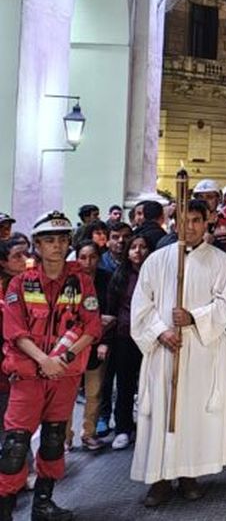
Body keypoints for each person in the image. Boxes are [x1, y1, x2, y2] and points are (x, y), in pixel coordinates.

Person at [129, 200, 226, 507]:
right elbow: (141, 305)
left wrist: (194, 317)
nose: (189, 226)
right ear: (173, 223)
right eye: (183, 220)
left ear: (206, 223)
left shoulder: (220, 261)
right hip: (165, 348)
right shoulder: (157, 260)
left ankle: (191, 472)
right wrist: (160, 331)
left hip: (202, 347)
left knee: (192, 413)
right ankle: (160, 478)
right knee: (164, 410)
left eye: (195, 220)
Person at [0, 211, 102, 521]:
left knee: (55, 438)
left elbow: (92, 327)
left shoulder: (82, 282)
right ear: (37, 246)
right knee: (15, 445)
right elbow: (14, 331)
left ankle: (43, 505)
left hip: (65, 375)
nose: (56, 246)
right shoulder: (20, 283)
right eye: (48, 240)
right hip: (29, 376)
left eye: (61, 240)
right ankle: (5, 508)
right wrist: (44, 360)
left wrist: (64, 359)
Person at [107, 234, 151, 451]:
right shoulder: (121, 275)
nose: (137, 251)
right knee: (124, 384)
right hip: (125, 335)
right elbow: (112, 307)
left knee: (148, 384)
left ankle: (146, 426)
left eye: (142, 247)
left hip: (151, 336)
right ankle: (123, 428)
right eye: (133, 247)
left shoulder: (155, 274)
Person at [74, 241, 113, 452]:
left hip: (98, 342)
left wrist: (104, 341)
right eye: (83, 257)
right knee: (67, 394)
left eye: (92, 257)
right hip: (71, 344)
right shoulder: (69, 279)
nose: (87, 262)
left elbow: (111, 315)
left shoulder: (106, 279)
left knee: (94, 391)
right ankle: (64, 438)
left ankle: (88, 434)